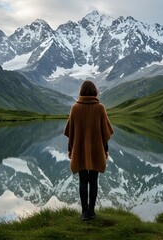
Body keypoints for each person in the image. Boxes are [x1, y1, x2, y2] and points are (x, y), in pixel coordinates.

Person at [64, 80, 114, 221]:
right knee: (93, 181)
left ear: (81, 92)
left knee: (82, 181)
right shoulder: (100, 108)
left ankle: (84, 213)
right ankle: (92, 212)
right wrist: (105, 150)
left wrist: (70, 149)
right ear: (94, 92)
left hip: (79, 150)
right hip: (96, 150)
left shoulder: (75, 108)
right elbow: (105, 133)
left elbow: (71, 132)